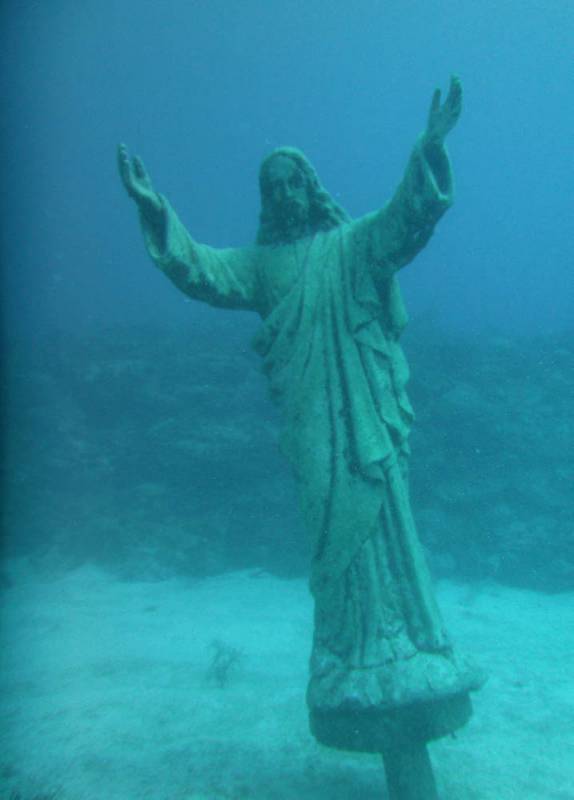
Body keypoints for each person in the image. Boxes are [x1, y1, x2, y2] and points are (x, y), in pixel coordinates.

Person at [118, 76, 483, 758]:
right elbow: (200, 269)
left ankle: (409, 648)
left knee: (383, 521)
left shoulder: (350, 245)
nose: (284, 194)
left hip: (367, 421)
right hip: (312, 428)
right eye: (272, 187)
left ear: (309, 187)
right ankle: (351, 657)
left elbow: (406, 221)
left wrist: (427, 148)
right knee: (331, 536)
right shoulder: (262, 267)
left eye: (292, 182)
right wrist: (156, 209)